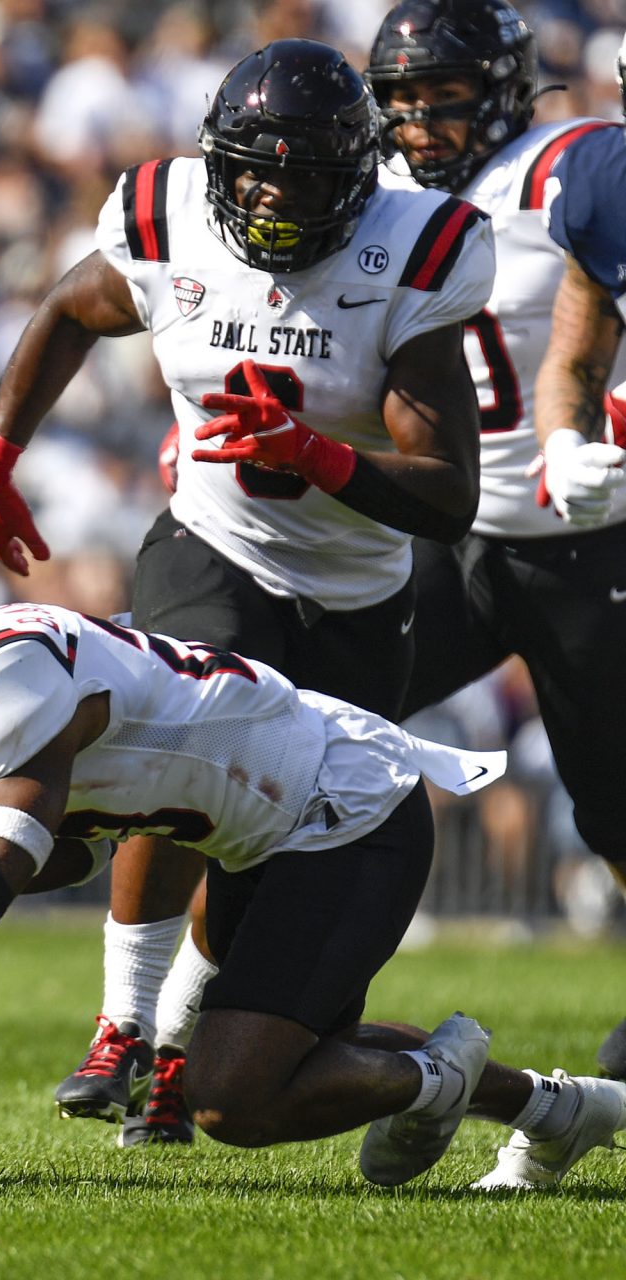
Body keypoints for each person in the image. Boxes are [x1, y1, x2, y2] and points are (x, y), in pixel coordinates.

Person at [0, 570, 626, 1191]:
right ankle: (556, 1109)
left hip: (343, 817)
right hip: (264, 825)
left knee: (234, 1096)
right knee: (266, 1052)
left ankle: (437, 1077)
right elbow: (57, 852)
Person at [0, 40, 491, 1144]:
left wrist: (319, 453)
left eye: (298, 172)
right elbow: (69, 307)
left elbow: (447, 496)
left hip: (354, 595)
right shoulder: (167, 219)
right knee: (175, 745)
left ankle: (175, 1049)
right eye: (252, 168)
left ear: (353, 173)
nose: (269, 192)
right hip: (215, 545)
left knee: (268, 849)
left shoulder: (416, 251)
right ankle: (120, 1020)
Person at [422, 20, 626, 1085]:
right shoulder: (381, 199)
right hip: (454, 529)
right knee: (305, 698)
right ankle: (214, 1004)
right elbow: (567, 363)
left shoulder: (576, 165)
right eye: (402, 98)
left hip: (587, 544)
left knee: (614, 805)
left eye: (442, 93)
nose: (418, 120)